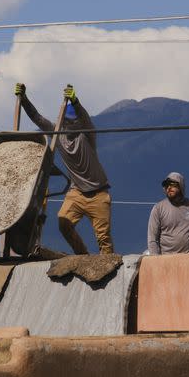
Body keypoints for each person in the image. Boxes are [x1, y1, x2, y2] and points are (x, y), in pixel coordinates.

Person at [14, 82, 114, 255]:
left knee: (103, 238)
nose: (71, 125)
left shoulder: (87, 136)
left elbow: (86, 119)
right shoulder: (58, 136)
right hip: (77, 192)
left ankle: (108, 265)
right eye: (68, 122)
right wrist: (24, 99)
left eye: (74, 121)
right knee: (64, 222)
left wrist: (75, 102)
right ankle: (82, 256)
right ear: (64, 122)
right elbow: (37, 117)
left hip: (98, 193)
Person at [147, 172, 189, 255]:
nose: (169, 187)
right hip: (167, 262)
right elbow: (152, 239)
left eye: (172, 184)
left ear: (181, 185)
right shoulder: (158, 208)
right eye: (166, 185)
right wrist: (156, 262)